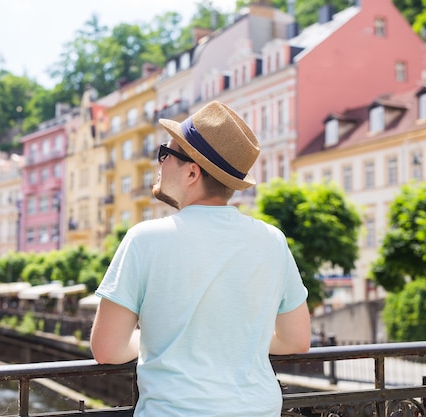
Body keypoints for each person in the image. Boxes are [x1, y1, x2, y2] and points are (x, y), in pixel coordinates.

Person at [90, 101, 311, 416]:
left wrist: (162, 336)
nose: (160, 163)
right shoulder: (271, 240)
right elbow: (297, 340)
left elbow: (107, 349)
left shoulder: (145, 240)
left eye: (165, 154)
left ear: (192, 172)